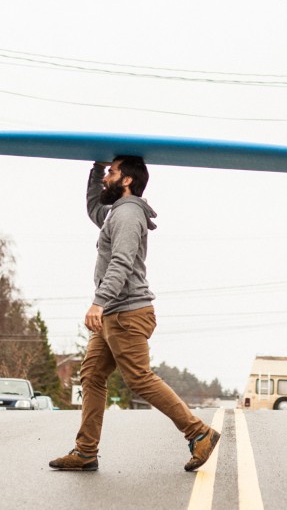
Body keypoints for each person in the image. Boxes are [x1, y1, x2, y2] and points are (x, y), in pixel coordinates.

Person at [49, 156, 221, 473]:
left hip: (126, 311)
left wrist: (98, 302)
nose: (106, 179)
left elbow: (122, 262)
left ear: (127, 180)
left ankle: (198, 432)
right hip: (114, 313)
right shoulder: (117, 212)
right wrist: (96, 169)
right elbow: (94, 210)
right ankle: (86, 451)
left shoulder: (128, 216)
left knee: (139, 379)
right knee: (92, 375)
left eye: (112, 173)